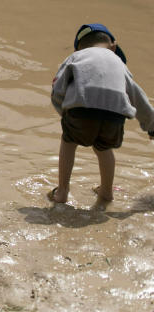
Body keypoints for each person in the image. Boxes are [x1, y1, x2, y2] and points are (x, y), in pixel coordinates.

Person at [48, 23, 154, 204]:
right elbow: (137, 95)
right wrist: (150, 126)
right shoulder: (119, 63)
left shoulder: (75, 57)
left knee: (69, 141)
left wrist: (65, 113)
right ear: (113, 45)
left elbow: (58, 89)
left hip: (81, 110)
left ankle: (62, 192)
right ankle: (106, 192)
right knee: (104, 148)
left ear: (79, 47)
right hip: (115, 116)